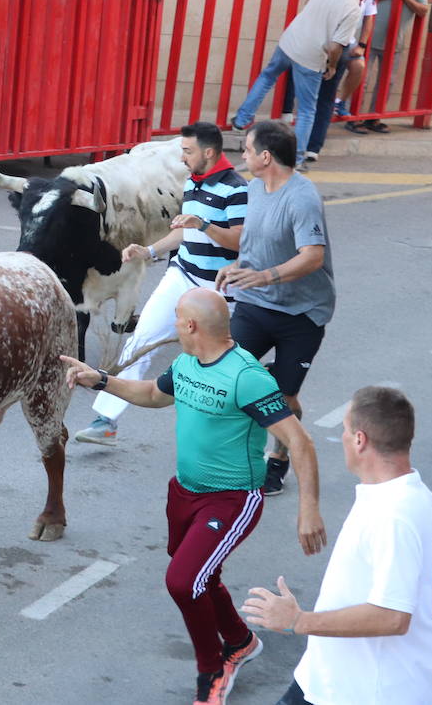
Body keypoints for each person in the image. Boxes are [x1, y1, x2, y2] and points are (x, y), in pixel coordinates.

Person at [61, 289, 325, 705]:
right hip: (184, 493)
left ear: (190, 326)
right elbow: (153, 394)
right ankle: (240, 640)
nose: (174, 325)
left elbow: (299, 440)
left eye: (177, 318)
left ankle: (214, 666)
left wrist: (308, 509)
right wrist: (102, 379)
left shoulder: (247, 376)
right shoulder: (186, 364)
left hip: (232, 499)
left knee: (184, 582)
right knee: (201, 575)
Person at [243, 386, 432, 705]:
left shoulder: (392, 515)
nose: (342, 438)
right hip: (325, 677)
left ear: (360, 440)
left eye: (344, 429)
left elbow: (393, 617)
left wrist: (297, 621)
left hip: (366, 692)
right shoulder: (408, 490)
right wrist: (408, 588)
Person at [76, 121, 246, 446]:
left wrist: (205, 225)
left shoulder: (237, 189)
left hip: (220, 290)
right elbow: (184, 231)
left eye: (187, 151)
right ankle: (106, 420)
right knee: (141, 339)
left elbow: (240, 241)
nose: (182, 158)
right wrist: (149, 251)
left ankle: (231, 433)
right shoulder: (193, 183)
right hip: (182, 275)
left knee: (218, 361)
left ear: (208, 153)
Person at [216, 121, 334, 497]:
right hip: (255, 304)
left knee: (282, 398)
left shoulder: (302, 198)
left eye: (247, 150)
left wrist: (267, 276)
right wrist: (238, 267)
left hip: (302, 313)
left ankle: (279, 457)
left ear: (266, 156)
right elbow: (253, 242)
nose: (243, 157)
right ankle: (233, 455)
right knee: (227, 375)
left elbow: (312, 257)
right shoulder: (254, 188)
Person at [231, 0, 381, 165]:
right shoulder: (354, 9)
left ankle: (241, 120)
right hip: (311, 57)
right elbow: (336, 46)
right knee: (307, 110)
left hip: (290, 42)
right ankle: (297, 158)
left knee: (267, 76)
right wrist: (332, 66)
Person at [351, 0, 431, 134]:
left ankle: (373, 118)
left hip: (395, 42)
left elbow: (423, 11)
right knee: (362, 79)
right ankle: (353, 117)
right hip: (369, 38)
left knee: (387, 82)